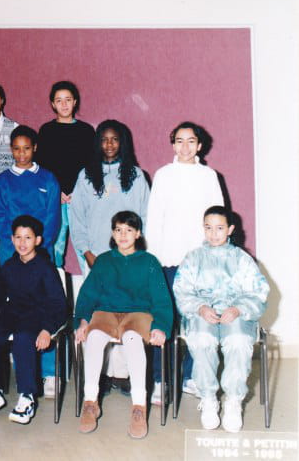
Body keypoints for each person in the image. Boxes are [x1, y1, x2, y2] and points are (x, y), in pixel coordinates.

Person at [74, 211, 173, 440]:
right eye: (118, 230)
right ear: (112, 233)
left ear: (138, 234)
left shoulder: (149, 262)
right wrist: (83, 320)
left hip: (138, 314)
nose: (123, 235)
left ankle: (139, 407)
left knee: (132, 339)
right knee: (94, 337)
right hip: (106, 312)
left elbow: (161, 300)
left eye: (129, 230)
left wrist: (160, 326)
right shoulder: (103, 261)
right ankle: (90, 402)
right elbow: (87, 295)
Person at [69, 120, 150, 391]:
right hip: (95, 257)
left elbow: (145, 216)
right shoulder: (85, 176)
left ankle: (123, 374)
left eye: (115, 139)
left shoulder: (136, 176)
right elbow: (77, 219)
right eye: (104, 139)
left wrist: (136, 254)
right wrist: (87, 252)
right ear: (97, 143)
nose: (109, 145)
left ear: (122, 142)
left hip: (128, 258)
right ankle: (100, 374)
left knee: (127, 311)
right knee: (98, 315)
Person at [146, 121, 224, 403]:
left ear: (199, 145)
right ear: (173, 144)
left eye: (191, 141)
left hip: (200, 261)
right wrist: (153, 258)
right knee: (164, 318)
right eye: (179, 141)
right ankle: (160, 379)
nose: (185, 147)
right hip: (167, 258)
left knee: (197, 320)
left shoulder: (209, 176)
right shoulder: (163, 175)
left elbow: (218, 216)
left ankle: (191, 376)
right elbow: (154, 218)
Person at [173, 206, 269, 433]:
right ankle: (208, 398)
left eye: (219, 228)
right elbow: (182, 290)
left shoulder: (242, 259)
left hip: (236, 313)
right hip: (202, 313)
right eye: (208, 228)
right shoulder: (193, 258)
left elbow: (258, 292)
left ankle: (233, 400)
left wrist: (238, 308)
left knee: (238, 341)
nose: (213, 234)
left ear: (230, 229)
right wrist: (200, 307)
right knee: (202, 339)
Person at [0, 215, 66, 425]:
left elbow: (58, 304)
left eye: (28, 238)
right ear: (12, 239)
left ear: (37, 240)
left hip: (38, 315)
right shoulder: (9, 265)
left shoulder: (45, 268)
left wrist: (47, 329)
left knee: (23, 337)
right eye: (18, 238)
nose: (22, 243)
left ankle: (27, 397)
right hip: (13, 311)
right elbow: (0, 289)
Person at [0, 124, 62, 396]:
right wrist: (17, 245)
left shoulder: (48, 179)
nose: (22, 154)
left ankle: (48, 372)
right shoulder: (2, 181)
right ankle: (17, 373)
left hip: (40, 251)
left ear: (35, 148)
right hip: (10, 250)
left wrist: (36, 247)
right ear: (11, 150)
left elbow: (52, 218)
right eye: (17, 149)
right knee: (13, 310)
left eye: (27, 149)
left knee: (43, 309)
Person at [35, 80, 95, 267]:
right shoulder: (46, 131)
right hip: (55, 199)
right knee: (55, 249)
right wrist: (56, 192)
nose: (64, 104)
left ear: (75, 102)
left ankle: (91, 285)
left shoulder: (86, 131)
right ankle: (55, 285)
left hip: (81, 198)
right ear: (52, 104)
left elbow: (92, 166)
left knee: (86, 249)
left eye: (68, 99)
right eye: (59, 100)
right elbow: (41, 167)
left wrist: (79, 192)